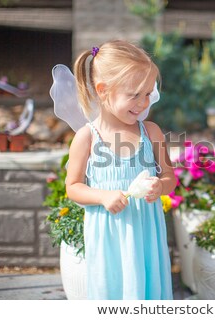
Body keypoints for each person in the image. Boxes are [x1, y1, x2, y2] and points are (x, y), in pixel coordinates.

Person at [65, 40, 175, 299]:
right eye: (134, 94)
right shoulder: (87, 137)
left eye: (147, 93)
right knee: (112, 292)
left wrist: (161, 186)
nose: (142, 103)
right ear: (103, 91)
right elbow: (73, 187)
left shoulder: (151, 132)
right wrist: (103, 196)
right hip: (109, 239)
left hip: (146, 234)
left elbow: (170, 177)